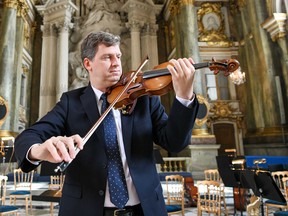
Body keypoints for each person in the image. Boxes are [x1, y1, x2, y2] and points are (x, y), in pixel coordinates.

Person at [14, 31, 199, 216]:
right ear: (88, 64)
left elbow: (174, 142)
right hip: (86, 210)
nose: (117, 63)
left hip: (145, 209)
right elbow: (27, 137)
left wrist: (184, 97)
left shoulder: (143, 98)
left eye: (118, 56)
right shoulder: (71, 102)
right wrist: (39, 150)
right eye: (107, 57)